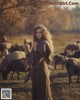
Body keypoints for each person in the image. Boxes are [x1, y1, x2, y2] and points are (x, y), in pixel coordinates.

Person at [28, 25, 54, 100]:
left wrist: (35, 49)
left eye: (40, 32)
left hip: (41, 70)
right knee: (38, 90)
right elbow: (32, 57)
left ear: (43, 34)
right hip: (37, 69)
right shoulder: (38, 42)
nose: (38, 34)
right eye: (37, 32)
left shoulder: (43, 43)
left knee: (42, 92)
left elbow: (39, 58)